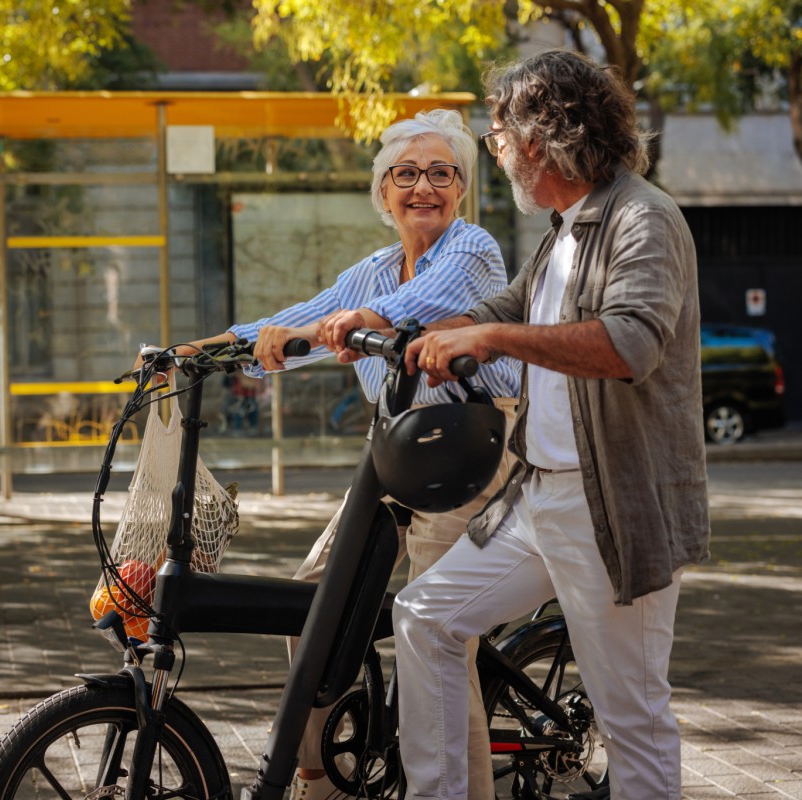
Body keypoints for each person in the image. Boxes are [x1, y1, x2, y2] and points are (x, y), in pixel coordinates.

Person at [319, 49, 710, 800]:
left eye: (498, 139)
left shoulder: (642, 219)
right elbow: (506, 310)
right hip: (539, 500)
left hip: (613, 508)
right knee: (426, 616)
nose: (496, 156)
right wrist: (397, 324)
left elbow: (629, 343)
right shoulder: (566, 228)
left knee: (632, 717)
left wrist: (487, 340)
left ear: (541, 138)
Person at [178, 108, 520, 800]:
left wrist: (368, 320)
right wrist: (201, 353)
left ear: (460, 188)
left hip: (474, 454)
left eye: (440, 174)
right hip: (399, 454)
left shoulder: (474, 249)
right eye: (406, 174)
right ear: (382, 191)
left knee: (438, 636)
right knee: (313, 603)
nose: (423, 187)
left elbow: (425, 301)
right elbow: (303, 321)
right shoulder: (369, 271)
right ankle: (317, 779)